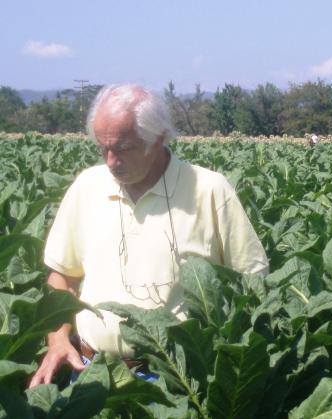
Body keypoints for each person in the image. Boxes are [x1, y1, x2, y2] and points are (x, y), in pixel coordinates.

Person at [29, 84, 268, 387]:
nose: (111, 162)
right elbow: (62, 277)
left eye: (124, 148)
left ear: (159, 138)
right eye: (103, 148)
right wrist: (57, 338)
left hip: (177, 381)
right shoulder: (87, 186)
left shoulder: (210, 191)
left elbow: (252, 284)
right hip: (91, 374)